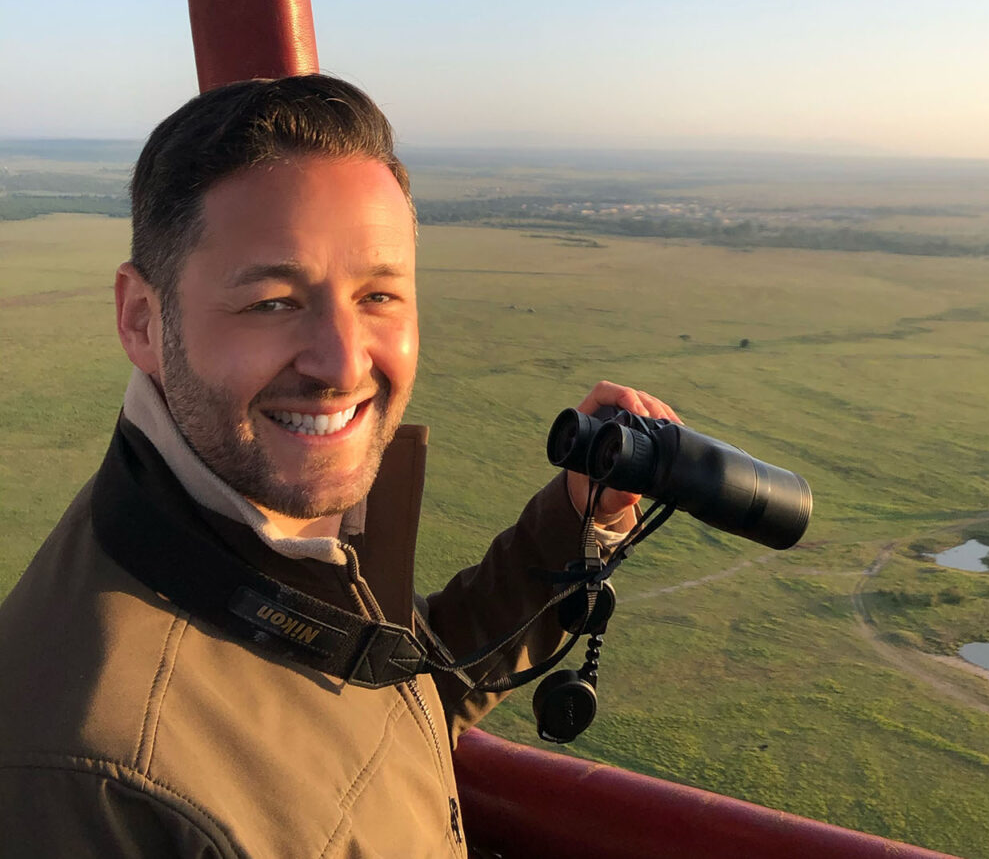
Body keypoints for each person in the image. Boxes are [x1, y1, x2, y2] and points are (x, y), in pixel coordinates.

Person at [0, 75, 678, 858]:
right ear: (142, 320)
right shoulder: (90, 784)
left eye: (380, 296)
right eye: (273, 302)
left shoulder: (236, 535)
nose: (342, 361)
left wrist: (580, 517)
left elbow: (382, 694)